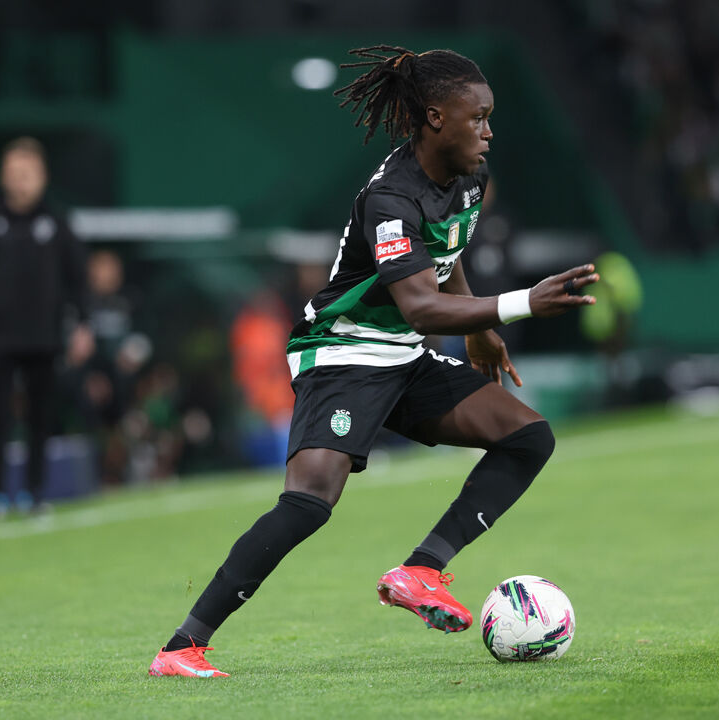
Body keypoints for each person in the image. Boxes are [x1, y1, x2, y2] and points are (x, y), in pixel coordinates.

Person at [149, 45, 599, 678]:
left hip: (402, 356)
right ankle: (181, 647)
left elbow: (448, 253)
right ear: (437, 117)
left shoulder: (470, 177)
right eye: (480, 118)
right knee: (309, 500)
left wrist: (478, 328)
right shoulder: (390, 198)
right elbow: (419, 306)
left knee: (527, 436)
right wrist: (519, 303)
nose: (490, 132)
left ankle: (421, 571)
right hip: (342, 352)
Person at [0, 137, 92, 518]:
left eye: (27, 174)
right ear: (3, 176)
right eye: (14, 173)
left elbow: (77, 278)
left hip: (44, 337)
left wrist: (83, 324)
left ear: (42, 177)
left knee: (39, 418)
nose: (20, 181)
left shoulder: (56, 222)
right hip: (1, 336)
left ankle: (35, 492)